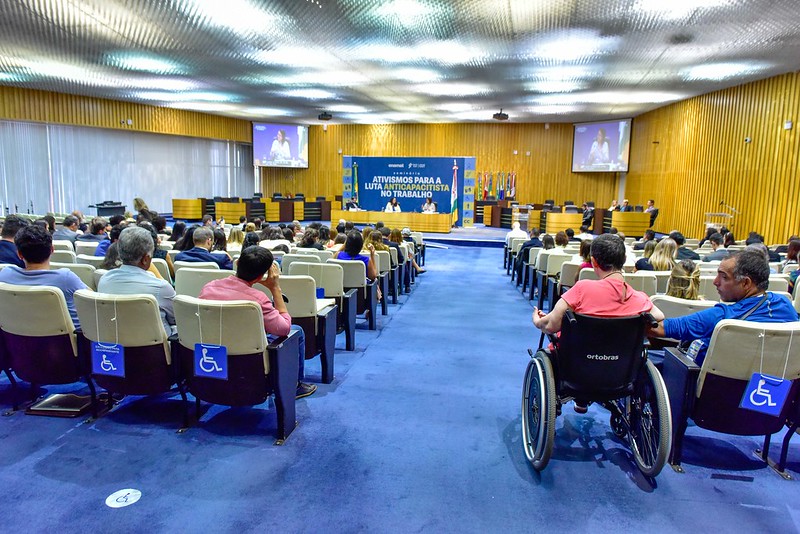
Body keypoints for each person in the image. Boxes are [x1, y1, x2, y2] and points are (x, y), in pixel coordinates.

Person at [532, 234, 664, 411]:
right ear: (624, 260)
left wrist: (537, 320)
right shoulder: (639, 298)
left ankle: (580, 398)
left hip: (577, 370)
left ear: (593, 261)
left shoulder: (582, 289)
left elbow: (550, 325)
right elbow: (659, 316)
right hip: (621, 373)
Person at [198, 246, 316, 399]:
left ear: (238, 262)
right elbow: (284, 328)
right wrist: (275, 288)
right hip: (248, 355)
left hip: (212, 350)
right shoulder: (258, 299)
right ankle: (295, 386)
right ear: (261, 276)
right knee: (296, 330)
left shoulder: (209, 287)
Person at [649, 250, 798, 365]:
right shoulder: (785, 305)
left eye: (723, 277)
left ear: (746, 283)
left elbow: (657, 328)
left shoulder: (721, 317)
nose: (715, 282)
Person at [0, 225, 88, 328]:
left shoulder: (4, 275)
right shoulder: (65, 278)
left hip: (14, 342)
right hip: (62, 343)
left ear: (19, 254)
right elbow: (91, 299)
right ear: (52, 250)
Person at [97, 226, 176, 335]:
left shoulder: (104, 280)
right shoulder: (161, 287)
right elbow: (176, 318)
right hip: (155, 349)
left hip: (116, 344)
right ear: (145, 259)